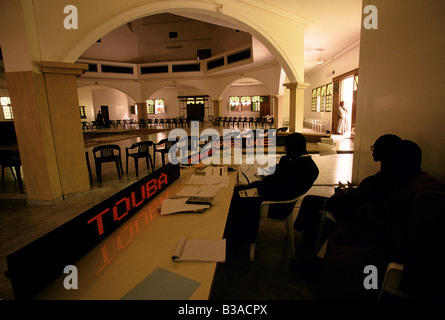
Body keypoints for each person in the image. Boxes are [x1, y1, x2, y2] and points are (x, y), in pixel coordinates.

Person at [294, 134, 403, 249]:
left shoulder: (379, 180)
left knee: (310, 200)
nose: (372, 151)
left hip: (347, 209)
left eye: (374, 148)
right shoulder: (394, 177)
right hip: (353, 206)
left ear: (384, 152)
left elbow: (354, 201)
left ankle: (301, 236)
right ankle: (305, 236)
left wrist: (343, 195)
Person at [224, 132, 319, 244]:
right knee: (238, 191)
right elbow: (280, 182)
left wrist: (257, 185)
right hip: (281, 198)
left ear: (293, 149)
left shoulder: (295, 166)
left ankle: (233, 237)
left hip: (276, 205)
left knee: (233, 197)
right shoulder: (309, 166)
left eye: (286, 149)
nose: (286, 151)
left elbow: (276, 187)